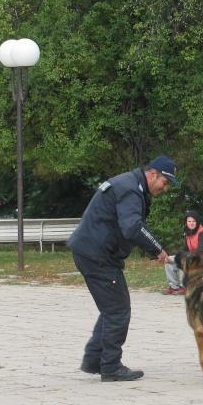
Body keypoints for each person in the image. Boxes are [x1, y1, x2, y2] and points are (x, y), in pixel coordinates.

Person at [67, 155, 177, 382]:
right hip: (98, 254)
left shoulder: (129, 184)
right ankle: (110, 366)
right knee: (118, 309)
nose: (165, 188)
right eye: (165, 182)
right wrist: (157, 249)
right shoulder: (130, 189)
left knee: (112, 308)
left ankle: (94, 360)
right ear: (153, 174)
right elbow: (132, 226)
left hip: (92, 251)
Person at [164, 210, 203, 295]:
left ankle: (185, 287)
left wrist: (186, 256)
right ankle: (174, 287)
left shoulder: (202, 233)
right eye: (189, 221)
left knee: (185, 260)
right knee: (169, 260)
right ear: (186, 222)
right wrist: (176, 256)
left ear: (197, 222)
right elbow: (185, 249)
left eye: (193, 221)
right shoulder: (188, 233)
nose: (191, 223)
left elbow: (200, 250)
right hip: (194, 257)